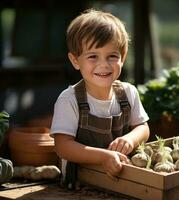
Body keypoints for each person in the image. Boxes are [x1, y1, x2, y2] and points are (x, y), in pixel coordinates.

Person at [50, 8, 150, 189]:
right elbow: (62, 146)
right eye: (93, 56)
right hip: (80, 185)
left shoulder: (128, 92)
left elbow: (143, 128)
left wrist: (130, 139)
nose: (103, 65)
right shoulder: (69, 99)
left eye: (112, 56)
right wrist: (103, 157)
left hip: (124, 182)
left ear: (123, 57)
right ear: (75, 61)